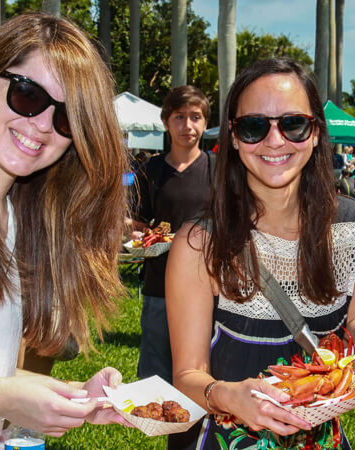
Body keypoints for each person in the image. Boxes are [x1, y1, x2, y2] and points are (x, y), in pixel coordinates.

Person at [164, 58, 355, 449]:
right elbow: (188, 374)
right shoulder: (199, 242)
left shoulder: (349, 223)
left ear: (314, 133)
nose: (274, 141)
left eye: (292, 124)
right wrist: (229, 397)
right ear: (234, 136)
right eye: (254, 126)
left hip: (322, 439)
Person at [0, 12, 129, 449]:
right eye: (27, 95)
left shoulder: (15, 218)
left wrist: (70, 398)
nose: (44, 125)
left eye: (69, 118)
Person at [132, 85, 215, 385]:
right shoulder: (150, 170)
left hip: (210, 289)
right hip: (159, 286)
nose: (188, 126)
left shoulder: (216, 169)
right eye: (179, 117)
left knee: (204, 375)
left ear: (205, 123)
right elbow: (136, 222)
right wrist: (141, 233)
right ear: (166, 121)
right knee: (158, 381)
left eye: (196, 117)